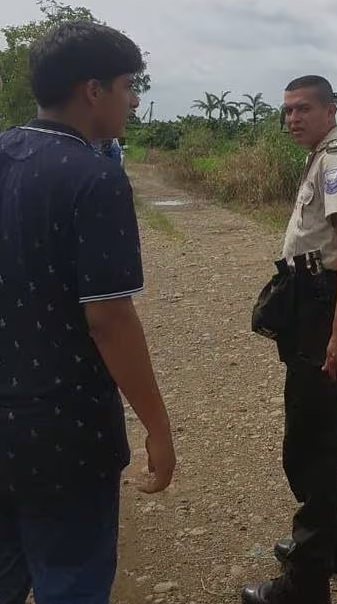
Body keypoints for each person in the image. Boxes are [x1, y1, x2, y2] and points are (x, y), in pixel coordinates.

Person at [0, 21, 175, 604]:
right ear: (93, 90)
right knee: (71, 577)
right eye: (129, 85)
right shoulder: (95, 177)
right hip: (63, 434)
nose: (134, 99)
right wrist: (156, 424)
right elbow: (109, 320)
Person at [243, 75, 337, 604]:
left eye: (303, 109)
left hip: (323, 309)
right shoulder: (326, 154)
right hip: (314, 303)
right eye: (288, 111)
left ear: (330, 108)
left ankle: (305, 580)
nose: (293, 119)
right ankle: (334, 545)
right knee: (327, 426)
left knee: (311, 440)